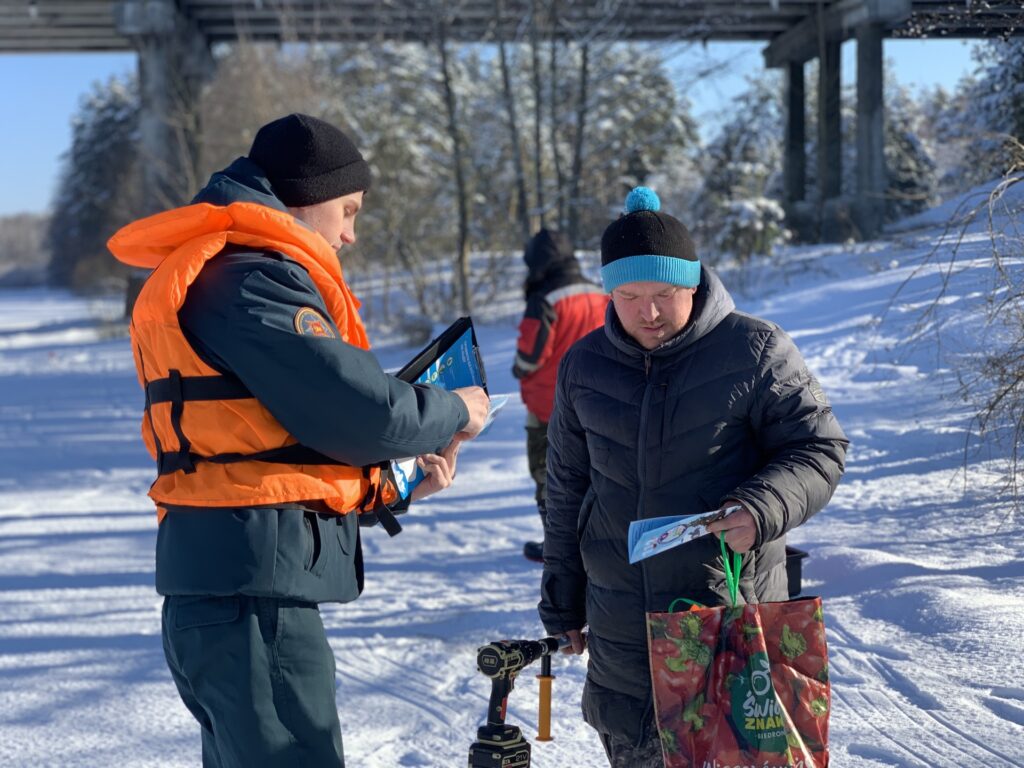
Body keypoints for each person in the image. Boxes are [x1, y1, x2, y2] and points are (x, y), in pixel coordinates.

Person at [108, 113, 489, 767]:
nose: (351, 232)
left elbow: (272, 451)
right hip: (252, 602)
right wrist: (455, 407)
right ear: (306, 197)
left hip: (238, 588)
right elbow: (362, 414)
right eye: (347, 209)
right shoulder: (252, 280)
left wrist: (388, 490)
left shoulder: (234, 275)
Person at [537, 187, 848, 767]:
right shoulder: (583, 366)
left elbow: (819, 448)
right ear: (609, 292)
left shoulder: (756, 349)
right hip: (623, 640)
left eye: (664, 294)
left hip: (728, 621)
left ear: (695, 284)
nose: (647, 313)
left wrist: (759, 507)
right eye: (629, 296)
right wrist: (562, 603)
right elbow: (566, 491)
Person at [512, 228, 607, 562]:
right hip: (598, 402)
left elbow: (529, 357)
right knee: (595, 473)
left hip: (549, 405)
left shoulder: (544, 299)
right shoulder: (599, 292)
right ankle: (596, 541)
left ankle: (557, 547)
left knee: (548, 475)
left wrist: (518, 370)